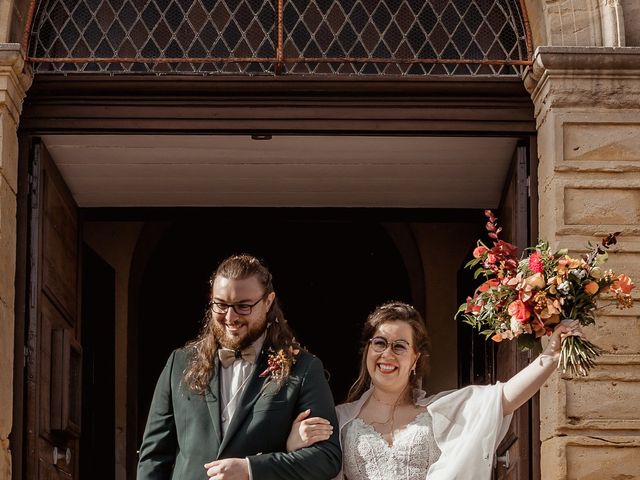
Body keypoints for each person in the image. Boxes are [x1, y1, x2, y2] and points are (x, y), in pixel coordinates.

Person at [286, 301, 581, 480]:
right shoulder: (340, 419)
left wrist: (551, 356)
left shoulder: (438, 412)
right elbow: (307, 471)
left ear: (414, 359)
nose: (387, 354)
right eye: (379, 343)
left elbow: (502, 398)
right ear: (366, 350)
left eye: (399, 346)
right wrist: (293, 447)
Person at [138, 254, 342, 480]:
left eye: (243, 306)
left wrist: (251, 469)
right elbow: (153, 458)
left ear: (268, 302)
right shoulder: (179, 362)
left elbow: (327, 457)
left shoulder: (303, 368)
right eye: (221, 305)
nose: (230, 317)